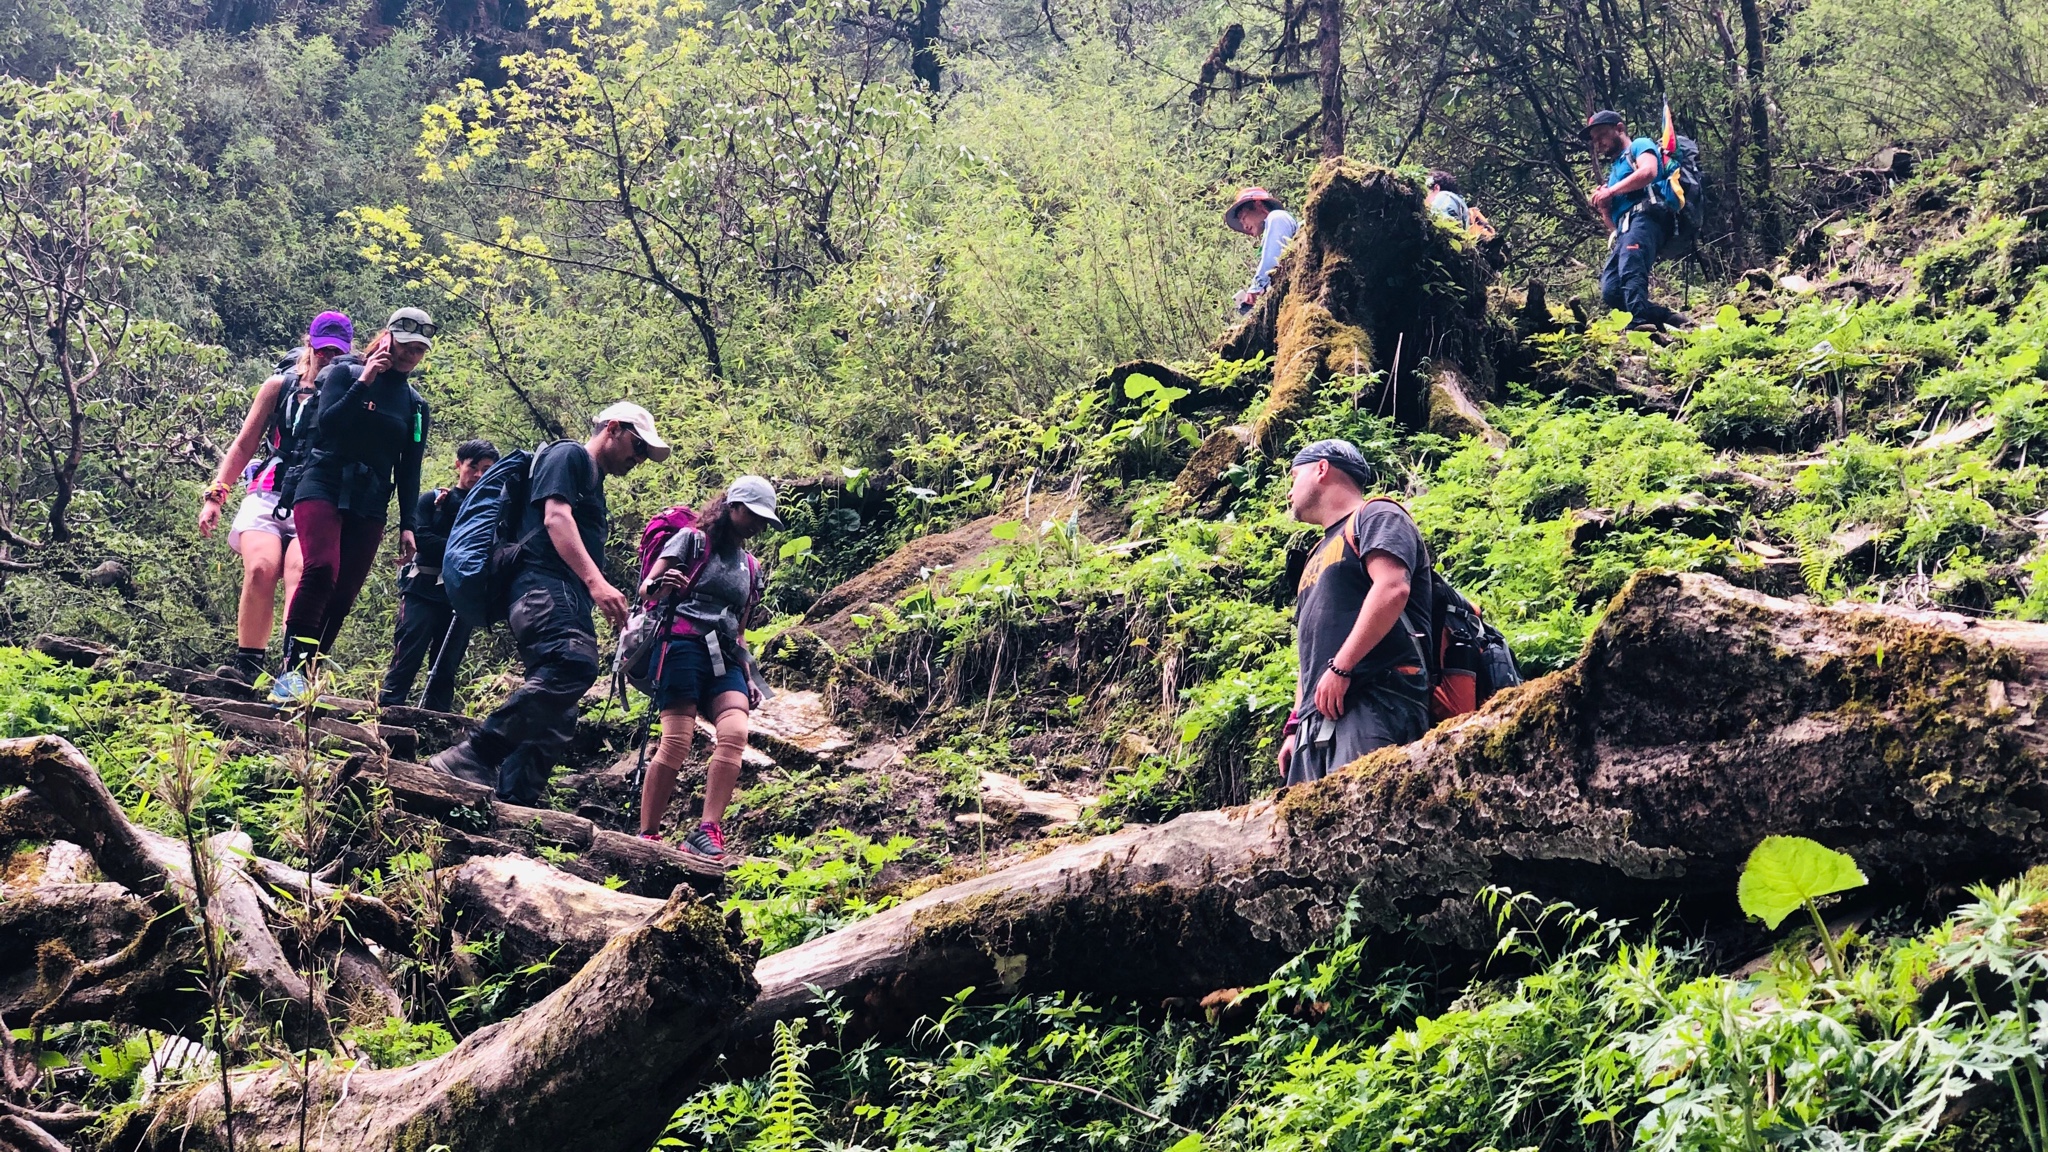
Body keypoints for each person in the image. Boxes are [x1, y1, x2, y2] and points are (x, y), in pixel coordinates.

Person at [428, 402, 670, 805]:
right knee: (571, 663)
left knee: (559, 713)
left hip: (561, 592)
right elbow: (555, 519)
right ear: (612, 428)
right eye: (637, 446)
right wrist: (597, 583)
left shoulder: (592, 481)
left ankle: (514, 805)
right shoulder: (569, 455)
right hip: (540, 584)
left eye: (646, 454)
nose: (639, 458)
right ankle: (472, 755)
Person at [268, 308, 435, 704]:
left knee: (343, 593)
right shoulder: (343, 373)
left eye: (419, 351)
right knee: (322, 568)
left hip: (371, 498)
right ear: (388, 338)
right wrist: (365, 380)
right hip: (322, 481)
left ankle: (309, 674)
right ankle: (290, 671)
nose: (412, 356)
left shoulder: (414, 406)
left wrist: (407, 524)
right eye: (407, 346)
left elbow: (409, 469)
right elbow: (328, 425)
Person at [198, 312, 355, 684]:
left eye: (337, 351)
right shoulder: (278, 387)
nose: (329, 357)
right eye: (323, 349)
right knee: (259, 569)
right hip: (270, 489)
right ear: (310, 345)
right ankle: (247, 665)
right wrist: (216, 495)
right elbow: (245, 442)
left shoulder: (352, 392)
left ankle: (292, 669)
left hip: (319, 496)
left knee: (301, 573)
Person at [632, 477, 779, 858]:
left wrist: (748, 670)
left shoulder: (751, 566)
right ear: (733, 506)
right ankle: (648, 833)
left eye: (765, 519)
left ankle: (707, 828)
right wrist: (662, 585)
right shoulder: (691, 541)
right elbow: (646, 589)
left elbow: (741, 626)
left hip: (726, 655)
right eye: (754, 515)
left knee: (734, 733)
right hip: (682, 646)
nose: (758, 525)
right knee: (677, 742)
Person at [1277, 439, 1433, 787]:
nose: (1289, 492)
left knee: (1364, 821)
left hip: (1375, 700)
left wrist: (1342, 666)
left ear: (1321, 469)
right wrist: (1295, 723)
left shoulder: (1377, 516)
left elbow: (1393, 588)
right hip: (1316, 720)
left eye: (1293, 476)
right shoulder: (1317, 552)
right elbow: (1311, 648)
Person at [378, 438, 500, 712]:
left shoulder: (492, 509)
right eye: (473, 467)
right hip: (422, 588)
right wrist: (465, 548)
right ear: (459, 465)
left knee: (447, 663)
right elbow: (422, 538)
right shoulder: (433, 501)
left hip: (461, 597)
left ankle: (436, 722)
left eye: (487, 469)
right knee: (407, 652)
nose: (479, 475)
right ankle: (387, 711)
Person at [1583, 109, 1690, 330]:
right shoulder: (1615, 170)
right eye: (1594, 140)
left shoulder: (1639, 145)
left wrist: (1611, 192)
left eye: (1602, 134)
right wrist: (1605, 208)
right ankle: (1667, 318)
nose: (1599, 143)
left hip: (1646, 219)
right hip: (1625, 230)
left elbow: (1649, 172)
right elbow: (1613, 224)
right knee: (1611, 290)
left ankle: (1640, 326)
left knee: (1632, 270)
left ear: (1619, 129)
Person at [1224, 186, 1299, 314]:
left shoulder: (1277, 217)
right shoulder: (1273, 225)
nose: (1244, 226)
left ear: (1258, 205)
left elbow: (1273, 259)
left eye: (1243, 218)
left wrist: (1255, 288)